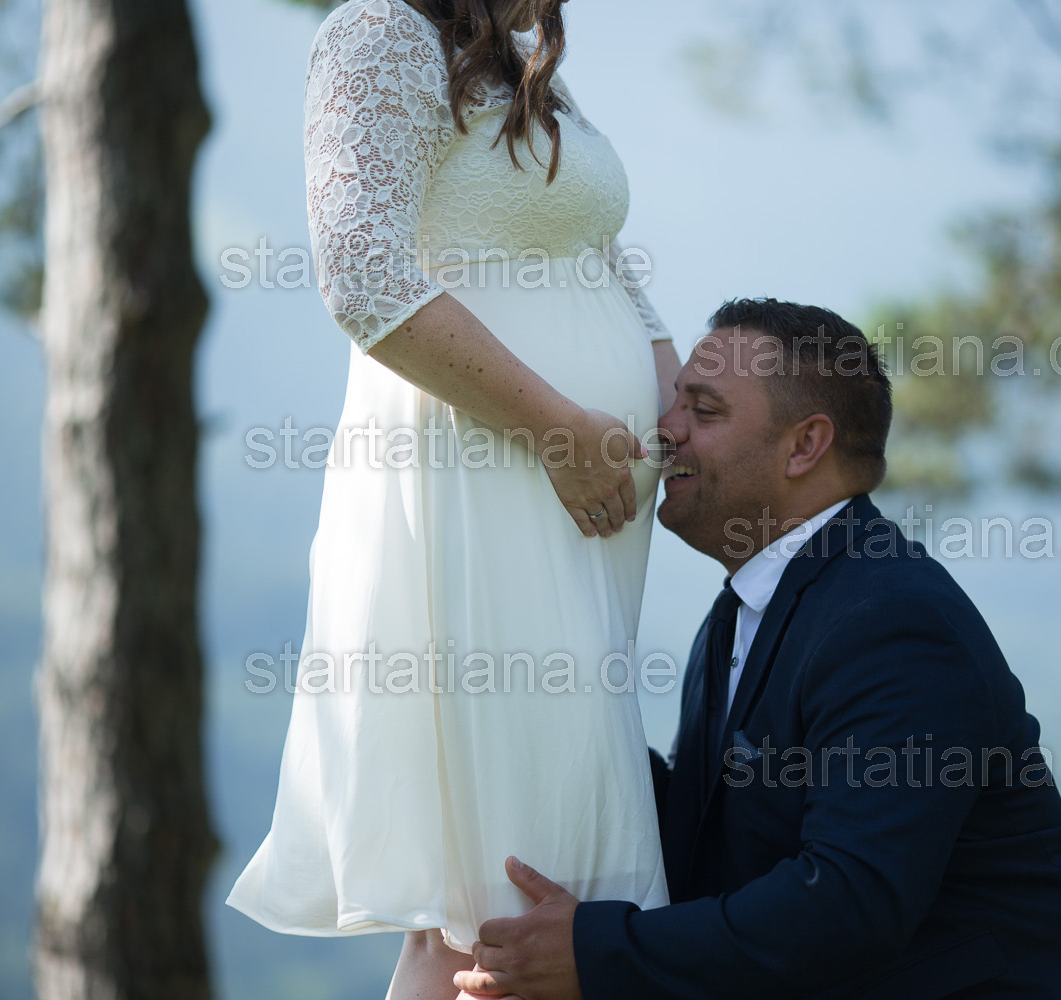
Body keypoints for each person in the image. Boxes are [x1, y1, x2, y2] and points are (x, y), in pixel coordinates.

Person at [452, 299, 1061, 1000]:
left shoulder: (890, 621)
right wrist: (536, 714)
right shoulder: (743, 612)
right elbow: (710, 837)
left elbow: (850, 901)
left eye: (704, 410)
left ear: (805, 446)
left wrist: (595, 954)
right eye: (675, 403)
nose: (664, 429)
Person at [224, 0, 680, 996]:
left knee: (510, 908)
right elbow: (361, 274)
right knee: (507, 902)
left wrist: (679, 423)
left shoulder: (516, 62)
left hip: (581, 505)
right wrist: (557, 427)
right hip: (482, 484)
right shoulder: (380, 32)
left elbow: (597, 260)